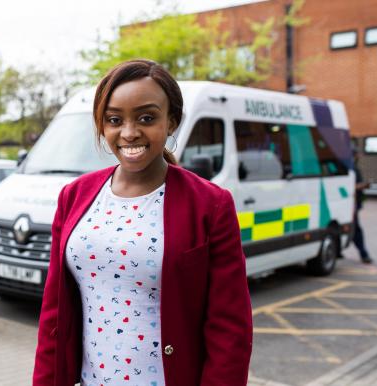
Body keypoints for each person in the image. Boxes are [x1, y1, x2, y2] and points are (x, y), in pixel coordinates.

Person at [33, 59, 253, 386]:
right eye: (114, 120)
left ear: (172, 121)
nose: (129, 132)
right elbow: (54, 313)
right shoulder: (74, 196)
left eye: (147, 118)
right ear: (102, 125)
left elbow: (230, 331)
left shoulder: (210, 205)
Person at [352, 149, 372, 264]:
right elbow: (349, 186)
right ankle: (364, 254)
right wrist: (362, 186)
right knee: (356, 230)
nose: (358, 156)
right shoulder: (351, 169)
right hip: (351, 205)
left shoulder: (354, 168)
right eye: (357, 154)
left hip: (355, 204)